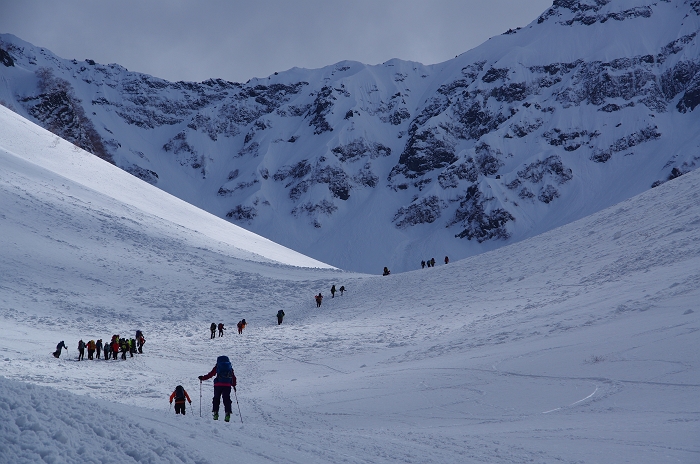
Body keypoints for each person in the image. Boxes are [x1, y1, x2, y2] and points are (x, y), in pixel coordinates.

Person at [198, 356, 237, 422]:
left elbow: (211, 374)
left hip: (218, 385)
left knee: (216, 398)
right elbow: (233, 377)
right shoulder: (230, 367)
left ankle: (215, 413)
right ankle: (227, 413)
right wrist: (233, 385)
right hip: (227, 385)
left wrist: (203, 378)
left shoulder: (218, 366)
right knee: (226, 399)